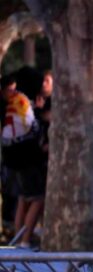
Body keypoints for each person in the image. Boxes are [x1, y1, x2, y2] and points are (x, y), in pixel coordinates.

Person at [1, 75, 46, 249]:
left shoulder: (10, 105)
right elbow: (31, 127)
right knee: (37, 198)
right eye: (10, 89)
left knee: (23, 198)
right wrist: (41, 115)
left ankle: (19, 241)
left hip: (11, 159)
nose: (14, 92)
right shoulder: (18, 103)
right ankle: (25, 240)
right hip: (26, 158)